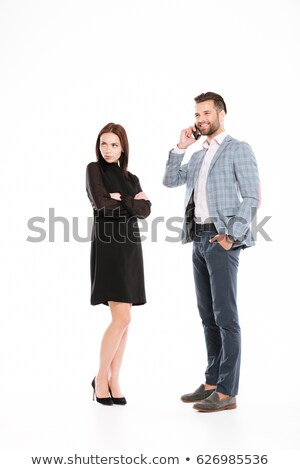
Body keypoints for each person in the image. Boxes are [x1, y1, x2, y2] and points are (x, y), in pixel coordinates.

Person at [163, 92, 260, 412]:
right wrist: (180, 147)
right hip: (198, 238)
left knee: (226, 317)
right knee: (207, 315)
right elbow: (170, 180)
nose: (200, 118)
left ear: (221, 113)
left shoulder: (238, 149)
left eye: (206, 112)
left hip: (221, 239)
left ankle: (227, 390)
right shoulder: (198, 155)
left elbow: (251, 197)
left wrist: (232, 236)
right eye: (197, 113)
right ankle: (211, 382)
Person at [86, 122, 151, 406]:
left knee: (126, 320)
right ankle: (101, 378)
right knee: (121, 318)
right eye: (103, 144)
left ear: (122, 147)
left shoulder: (132, 178)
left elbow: (145, 210)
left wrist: (120, 198)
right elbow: (101, 203)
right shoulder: (94, 169)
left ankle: (114, 378)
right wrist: (128, 203)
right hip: (109, 244)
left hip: (130, 246)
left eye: (114, 144)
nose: (108, 149)